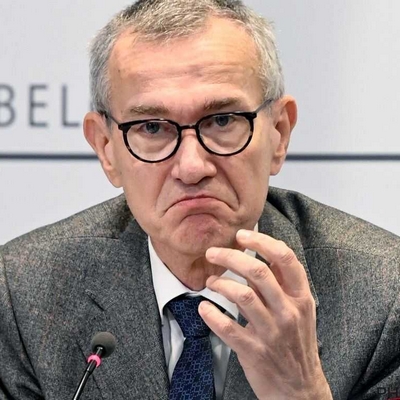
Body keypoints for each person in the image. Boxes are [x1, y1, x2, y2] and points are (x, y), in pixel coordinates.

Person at [1, 0, 399, 399]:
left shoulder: (385, 299)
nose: (191, 167)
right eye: (152, 127)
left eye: (222, 120)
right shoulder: (23, 296)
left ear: (279, 133)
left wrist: (302, 392)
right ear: (106, 148)